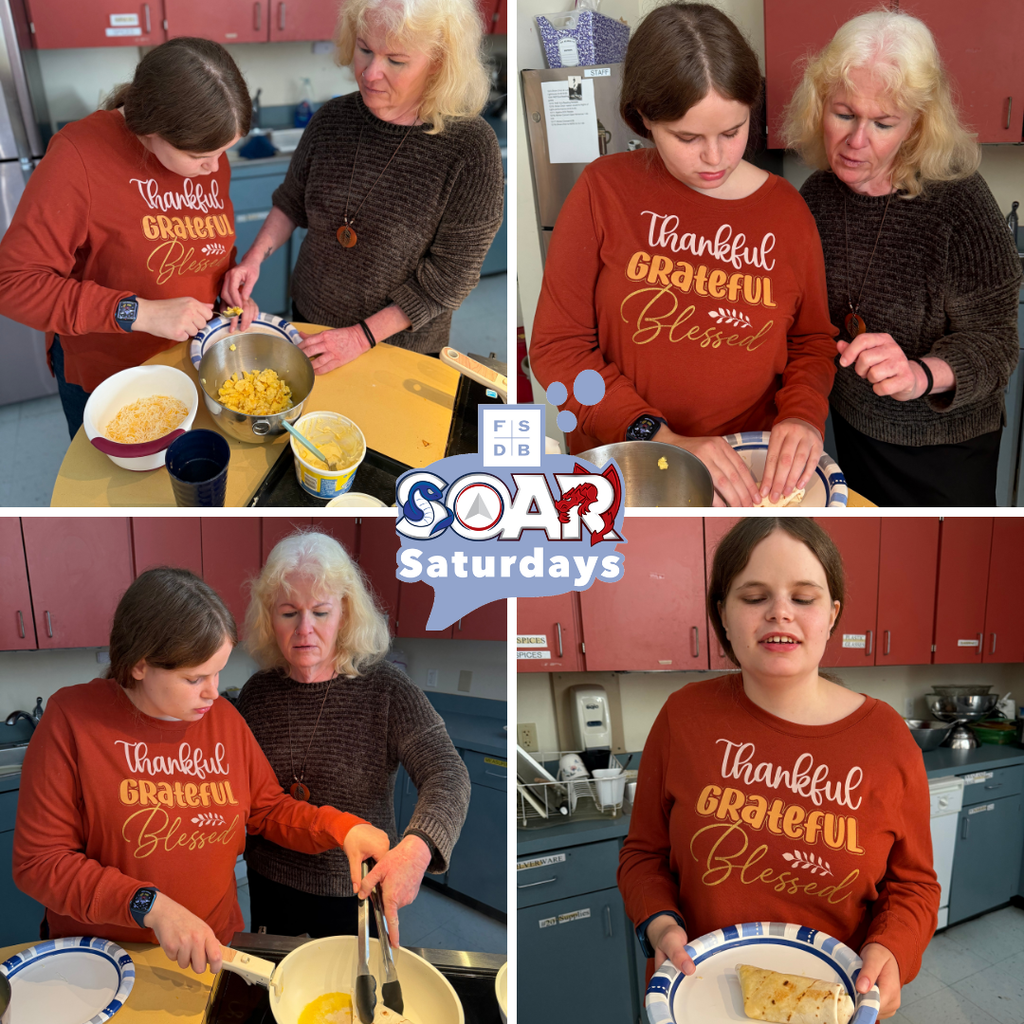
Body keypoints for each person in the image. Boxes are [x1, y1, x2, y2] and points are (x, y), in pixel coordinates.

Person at [618, 518, 939, 1020]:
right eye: (753, 596)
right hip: (698, 998)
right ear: (722, 614)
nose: (780, 613)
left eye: (804, 597)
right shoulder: (684, 717)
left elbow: (914, 885)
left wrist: (894, 949)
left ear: (832, 614)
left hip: (831, 1001)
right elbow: (643, 855)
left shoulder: (888, 739)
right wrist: (659, 923)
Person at [529, 2, 838, 508]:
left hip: (747, 474)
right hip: (625, 468)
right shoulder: (602, 190)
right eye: (688, 137)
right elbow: (557, 350)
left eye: (733, 132)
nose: (714, 158)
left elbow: (811, 341)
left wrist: (803, 415)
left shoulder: (787, 213)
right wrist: (660, 438)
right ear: (645, 117)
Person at [12, 568, 389, 975]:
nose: (213, 691)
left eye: (218, 672)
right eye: (194, 678)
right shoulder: (73, 719)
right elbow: (40, 862)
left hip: (210, 948)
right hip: (102, 958)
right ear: (139, 666)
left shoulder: (223, 719)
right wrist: (149, 906)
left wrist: (343, 828)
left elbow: (267, 808)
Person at [784, 11, 1022, 506]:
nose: (856, 141)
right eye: (844, 114)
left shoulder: (958, 202)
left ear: (916, 125)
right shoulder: (817, 197)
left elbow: (999, 345)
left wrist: (921, 374)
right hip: (853, 431)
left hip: (947, 448)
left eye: (883, 123)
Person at [221, 0, 504, 375]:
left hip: (400, 349)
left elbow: (451, 279)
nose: (370, 73)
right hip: (309, 320)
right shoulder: (332, 120)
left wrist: (360, 337)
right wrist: (253, 259)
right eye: (365, 50)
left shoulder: (469, 148)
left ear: (438, 62)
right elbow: (291, 203)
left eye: (396, 61)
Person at [0, 38, 254, 440]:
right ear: (151, 130)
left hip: (190, 362)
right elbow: (13, 284)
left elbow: (202, 240)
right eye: (201, 156)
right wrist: (143, 313)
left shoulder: (206, 155)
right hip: (111, 378)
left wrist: (228, 284)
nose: (213, 167)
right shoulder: (78, 156)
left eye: (223, 152)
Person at [236, 531, 470, 945]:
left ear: (345, 613)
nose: (305, 629)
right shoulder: (257, 694)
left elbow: (447, 773)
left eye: (321, 612)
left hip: (356, 890)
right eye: (289, 613)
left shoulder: (387, 689)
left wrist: (418, 849)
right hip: (270, 882)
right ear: (269, 618)